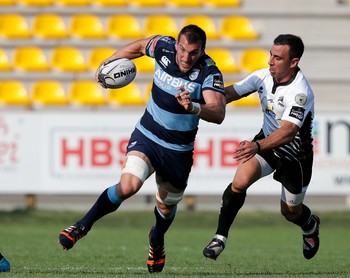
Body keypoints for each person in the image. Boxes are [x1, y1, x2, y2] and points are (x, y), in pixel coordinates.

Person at [58, 25, 226, 273]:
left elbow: (219, 112)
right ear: (176, 45)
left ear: (202, 51)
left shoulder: (209, 72)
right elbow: (138, 47)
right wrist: (111, 61)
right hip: (148, 134)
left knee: (166, 206)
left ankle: (156, 240)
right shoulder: (163, 47)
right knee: (128, 186)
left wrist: (194, 108)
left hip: (178, 150)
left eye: (193, 52)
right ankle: (82, 225)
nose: (185, 57)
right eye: (182, 49)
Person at [203, 34, 320, 261]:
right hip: (265, 144)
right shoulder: (262, 76)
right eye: (270, 55)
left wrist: (256, 146)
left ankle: (309, 225)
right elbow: (227, 94)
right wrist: (199, 96)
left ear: (293, 62)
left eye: (278, 58)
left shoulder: (300, 92)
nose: (270, 61)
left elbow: (288, 131)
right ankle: (220, 237)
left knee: (289, 211)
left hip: (294, 156)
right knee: (239, 182)